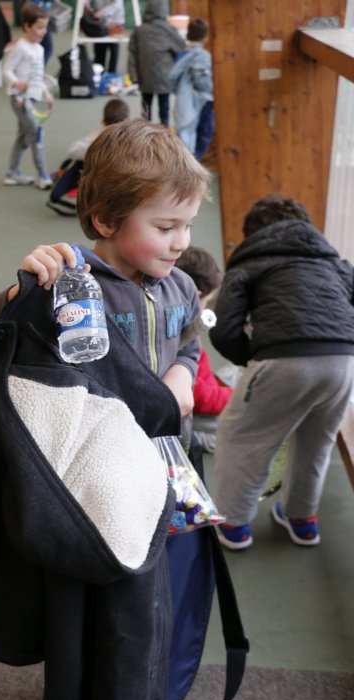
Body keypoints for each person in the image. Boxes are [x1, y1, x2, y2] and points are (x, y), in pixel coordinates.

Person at [0, 118, 211, 700]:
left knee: (151, 604)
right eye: (166, 226)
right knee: (94, 615)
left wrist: (183, 375)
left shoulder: (181, 285)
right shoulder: (71, 285)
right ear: (104, 219)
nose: (181, 242)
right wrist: (22, 287)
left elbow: (190, 339)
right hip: (92, 488)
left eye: (188, 225)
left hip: (161, 473)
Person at [209, 194, 354, 550]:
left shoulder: (250, 261)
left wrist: (252, 359)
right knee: (316, 442)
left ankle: (234, 526)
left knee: (242, 437)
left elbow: (223, 328)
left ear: (253, 233)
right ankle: (302, 520)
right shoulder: (334, 263)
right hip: (343, 362)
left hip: (283, 359)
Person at [176, 246, 234, 453]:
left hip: (207, 404)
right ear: (197, 295)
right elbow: (198, 395)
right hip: (198, 421)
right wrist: (235, 395)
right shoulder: (181, 333)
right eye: (206, 302)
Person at [2, 2, 54, 188]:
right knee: (36, 134)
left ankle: (12, 173)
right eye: (39, 27)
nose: (43, 32)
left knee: (23, 137)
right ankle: (43, 176)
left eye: (45, 27)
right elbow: (6, 69)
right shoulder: (20, 48)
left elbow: (37, 76)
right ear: (27, 26)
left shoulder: (39, 49)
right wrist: (16, 84)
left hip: (32, 98)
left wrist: (46, 93)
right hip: (20, 100)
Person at [127, 0, 186, 127]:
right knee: (164, 109)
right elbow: (181, 47)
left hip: (145, 76)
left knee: (145, 109)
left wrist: (133, 76)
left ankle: (143, 133)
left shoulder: (139, 31)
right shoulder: (169, 29)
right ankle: (164, 134)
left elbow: (132, 55)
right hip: (164, 77)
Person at [169, 17, 214, 160]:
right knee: (203, 134)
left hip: (183, 101)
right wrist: (213, 91)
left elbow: (173, 78)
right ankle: (193, 163)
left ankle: (188, 163)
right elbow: (202, 81)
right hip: (203, 101)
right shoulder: (202, 56)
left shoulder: (182, 54)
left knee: (186, 135)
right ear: (206, 37)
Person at [66, 96, 130, 160]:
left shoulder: (95, 140)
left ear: (103, 122)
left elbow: (72, 151)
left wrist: (93, 138)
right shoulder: (132, 142)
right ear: (128, 120)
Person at [84, 0, 125, 74]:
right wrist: (86, 3)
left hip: (115, 23)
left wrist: (101, 13)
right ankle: (99, 76)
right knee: (99, 55)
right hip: (99, 24)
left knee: (113, 54)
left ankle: (111, 76)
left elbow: (117, 4)